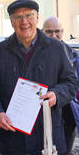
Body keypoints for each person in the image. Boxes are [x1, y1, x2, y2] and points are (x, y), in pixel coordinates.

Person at [0, 0, 79, 155]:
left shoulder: (57, 48)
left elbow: (71, 83)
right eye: (18, 17)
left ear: (37, 17)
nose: (24, 21)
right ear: (11, 22)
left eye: (29, 15)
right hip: (13, 137)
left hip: (48, 136)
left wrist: (56, 95)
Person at [42, 16, 78, 155]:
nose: (54, 35)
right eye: (49, 32)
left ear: (63, 32)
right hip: (44, 111)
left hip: (69, 113)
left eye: (57, 31)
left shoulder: (74, 55)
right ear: (42, 31)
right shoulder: (35, 56)